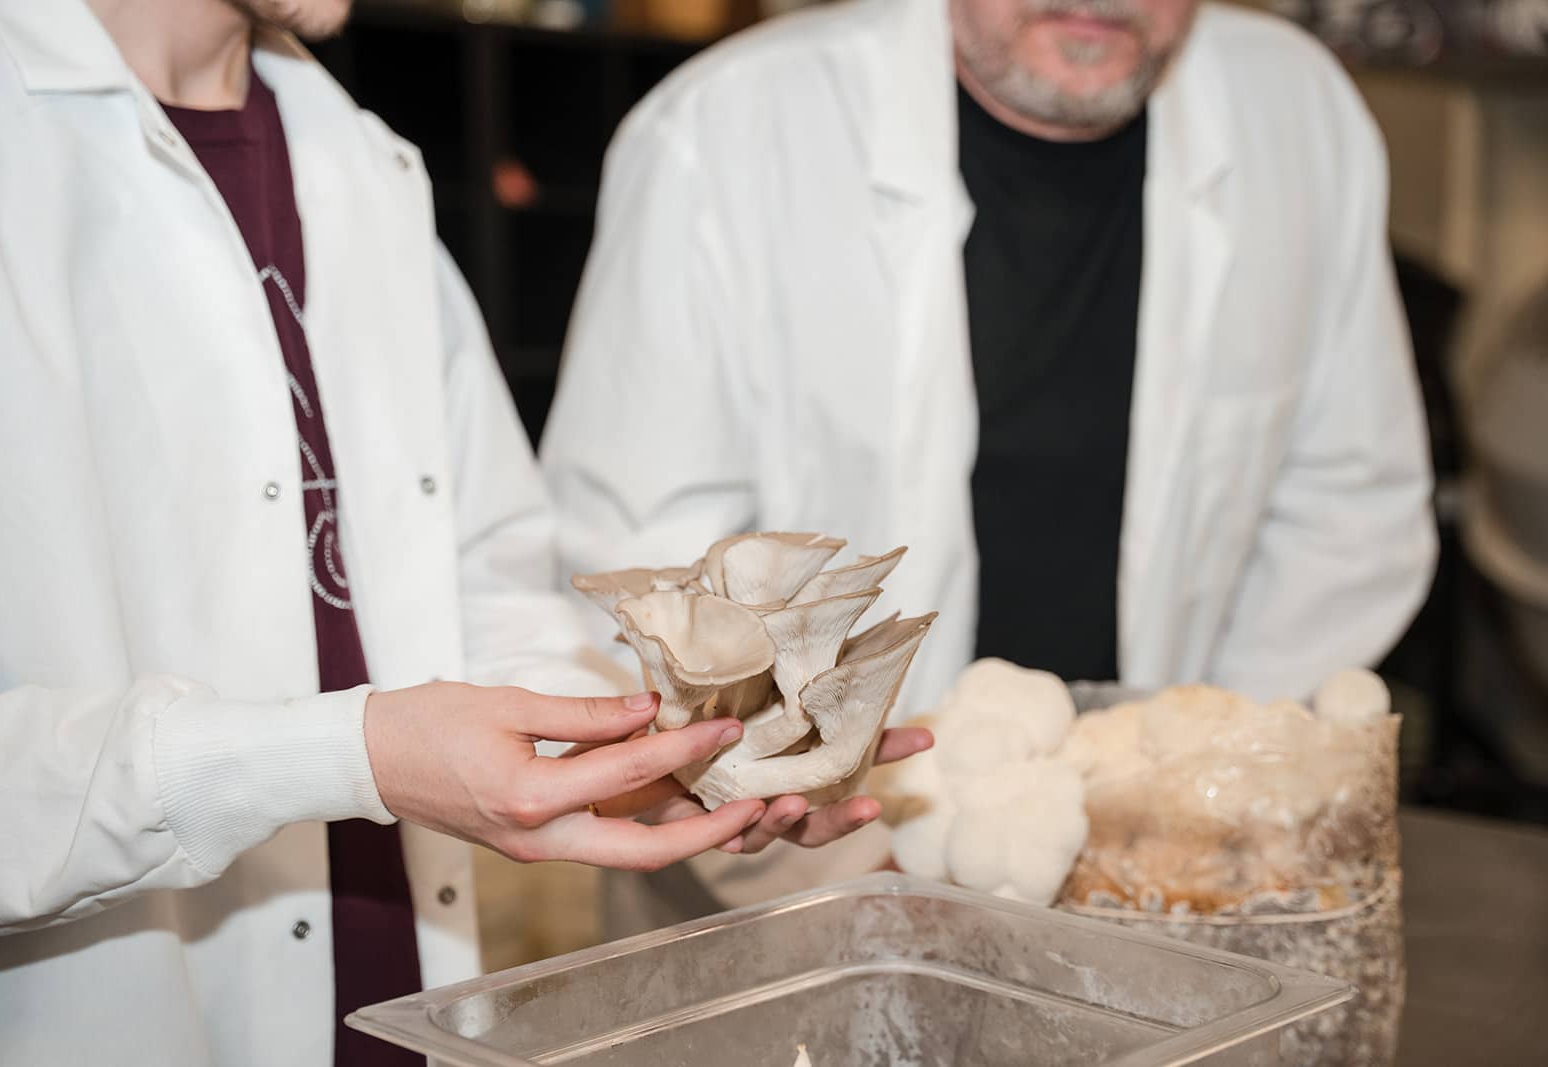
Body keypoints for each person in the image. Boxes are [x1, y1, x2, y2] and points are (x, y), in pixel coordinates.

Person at [0, 1, 926, 1063]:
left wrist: (669, 757)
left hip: (400, 1012)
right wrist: (352, 754)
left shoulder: (362, 168)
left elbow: (485, 589)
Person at [541, 0, 1438, 929]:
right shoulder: (728, 128)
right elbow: (641, 567)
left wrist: (1186, 783)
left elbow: (1350, 500)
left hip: (1163, 871)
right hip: (787, 875)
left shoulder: (1300, 116)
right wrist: (851, 841)